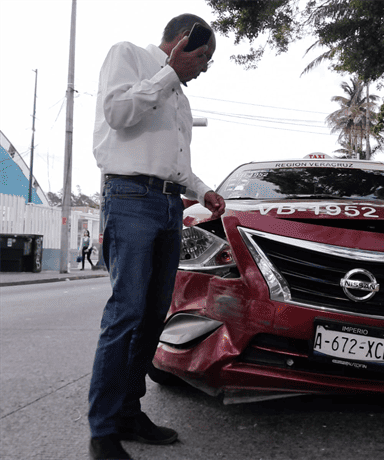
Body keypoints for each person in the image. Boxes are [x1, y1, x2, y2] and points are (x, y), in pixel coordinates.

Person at [88, 14, 225, 460]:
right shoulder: (127, 55)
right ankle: (103, 428)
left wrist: (202, 189)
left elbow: (174, 164)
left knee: (151, 316)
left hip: (169, 205)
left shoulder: (179, 97)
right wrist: (169, 74)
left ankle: (129, 411)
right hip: (129, 197)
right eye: (202, 56)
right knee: (126, 312)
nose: (203, 67)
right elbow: (118, 113)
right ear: (181, 41)